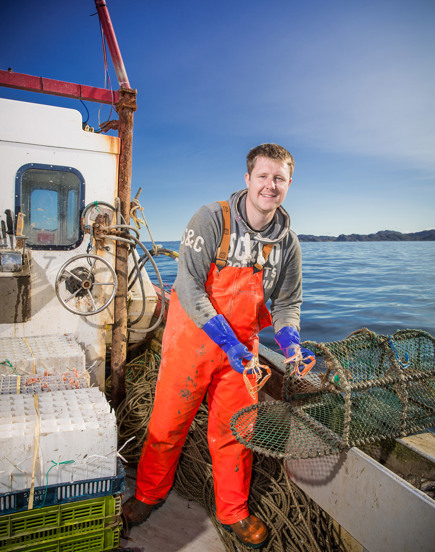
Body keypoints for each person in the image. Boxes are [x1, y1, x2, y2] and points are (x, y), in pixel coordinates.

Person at [123, 143, 315, 549]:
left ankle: (234, 511)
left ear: (289, 184)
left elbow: (287, 304)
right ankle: (147, 495)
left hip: (242, 354)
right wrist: (225, 340)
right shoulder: (211, 219)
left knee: (237, 430)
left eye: (279, 178)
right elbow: (190, 286)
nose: (270, 185)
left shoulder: (289, 244)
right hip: (191, 339)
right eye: (263, 176)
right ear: (247, 179)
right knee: (167, 424)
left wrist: (290, 342)